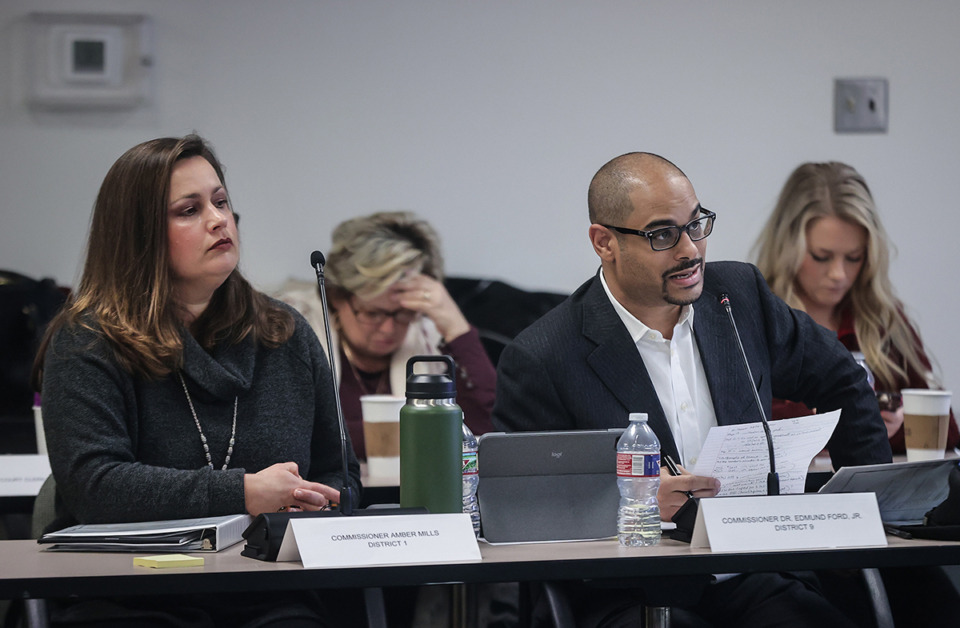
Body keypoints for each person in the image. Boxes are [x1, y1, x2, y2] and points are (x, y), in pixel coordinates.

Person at [493, 152, 892, 628]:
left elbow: (842, 379)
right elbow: (520, 511)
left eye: (697, 224)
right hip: (630, 589)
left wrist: (869, 506)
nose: (690, 250)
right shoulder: (543, 356)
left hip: (754, 574)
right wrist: (625, 504)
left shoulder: (737, 296)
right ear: (605, 243)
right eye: (663, 235)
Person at [33, 135, 362, 626]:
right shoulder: (88, 342)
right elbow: (94, 486)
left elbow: (341, 474)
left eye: (221, 201)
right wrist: (244, 492)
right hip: (127, 594)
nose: (218, 219)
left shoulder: (285, 334)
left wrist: (318, 505)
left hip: (267, 592)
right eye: (189, 210)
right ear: (138, 235)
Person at [754, 161, 958, 453]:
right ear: (788, 248)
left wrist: (902, 427)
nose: (839, 274)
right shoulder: (753, 316)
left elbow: (945, 424)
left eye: (854, 257)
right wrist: (819, 424)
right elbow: (728, 425)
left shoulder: (882, 318)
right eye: (822, 257)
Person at [277, 211, 496, 461]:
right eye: (373, 313)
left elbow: (486, 431)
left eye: (403, 314)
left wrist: (456, 328)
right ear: (336, 297)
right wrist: (422, 432)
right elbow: (298, 434)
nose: (389, 329)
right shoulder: (293, 327)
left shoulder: (426, 333)